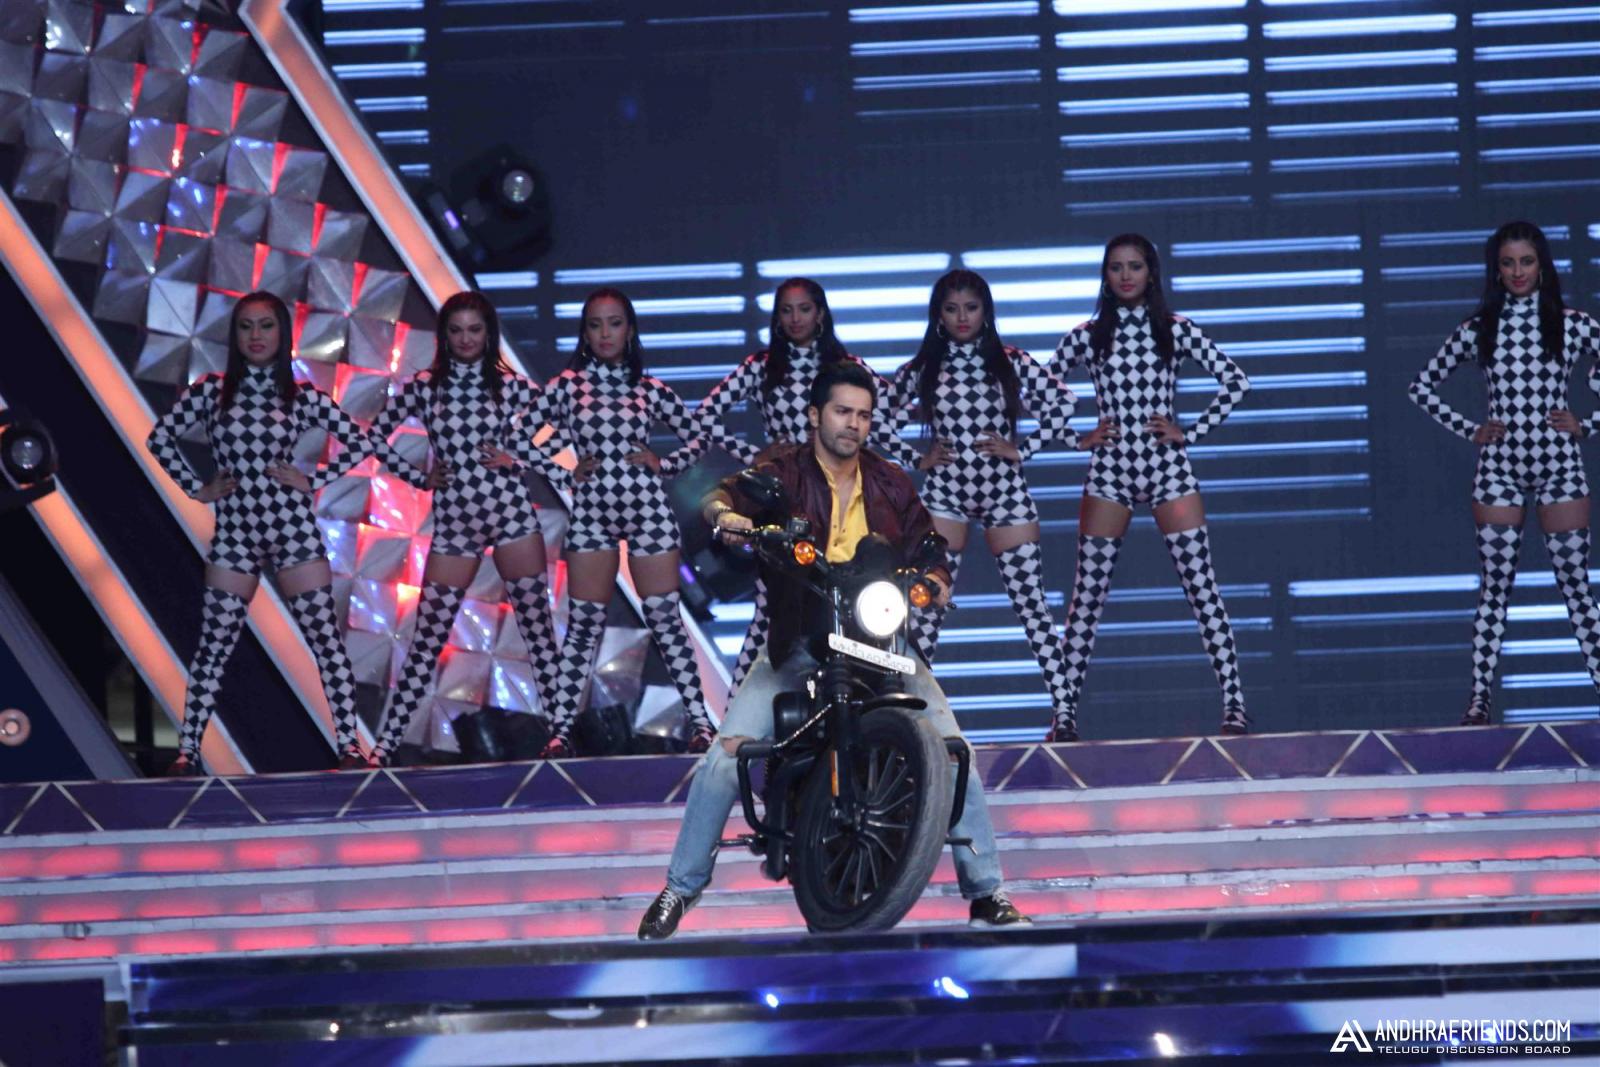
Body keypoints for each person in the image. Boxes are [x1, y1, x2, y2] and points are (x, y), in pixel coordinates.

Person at [637, 360, 1031, 940]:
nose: (853, 424)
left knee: (954, 751)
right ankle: (679, 888)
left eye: (863, 415)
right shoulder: (784, 472)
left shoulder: (890, 482)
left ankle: (987, 891)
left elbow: (927, 543)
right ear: (815, 414)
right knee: (726, 758)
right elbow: (725, 495)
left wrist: (935, 578)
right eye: (843, 412)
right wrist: (729, 518)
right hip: (801, 636)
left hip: (879, 641)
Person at [146, 291, 414, 774]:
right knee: (214, 646)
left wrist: (313, 478)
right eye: (246, 326)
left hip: (291, 527)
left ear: (282, 333)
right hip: (236, 532)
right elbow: (158, 438)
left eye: (266, 325)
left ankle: (350, 748)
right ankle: (187, 753)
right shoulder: (211, 391)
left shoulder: (300, 395)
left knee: (325, 642)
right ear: (234, 334)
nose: (256, 335)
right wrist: (197, 488)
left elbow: (362, 441)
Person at [1051, 234, 1253, 740]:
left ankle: (1235, 707)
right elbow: (1038, 392)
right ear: (1105, 274)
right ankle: (1064, 715)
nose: (1125, 276)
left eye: (1135, 266)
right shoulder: (1087, 336)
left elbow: (1236, 381)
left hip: (1167, 467)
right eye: (1116, 267)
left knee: (1201, 588)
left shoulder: (1175, 329)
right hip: (1110, 469)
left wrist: (1191, 433)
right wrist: (1077, 439)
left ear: (1151, 273)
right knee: (1087, 599)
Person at [1408, 220, 1600, 723]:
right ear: (1496, 269)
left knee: (1576, 585)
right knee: (1495, 588)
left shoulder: (1574, 324)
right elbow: (1421, 386)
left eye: (1526, 262)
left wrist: (1588, 424)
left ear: (1543, 265)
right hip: (1500, 469)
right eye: (1508, 263)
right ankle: (1480, 700)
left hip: (1560, 465)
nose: (1518, 272)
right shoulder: (1480, 329)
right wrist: (1471, 429)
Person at [366, 291, 568, 763]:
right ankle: (385, 746)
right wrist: (419, 476)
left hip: (512, 515)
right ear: (444, 335)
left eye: (474, 330)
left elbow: (563, 422)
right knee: (427, 639)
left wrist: (518, 457)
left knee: (538, 633)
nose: (465, 339)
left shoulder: (508, 385)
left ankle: (561, 735)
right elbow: (374, 435)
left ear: (488, 333)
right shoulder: (424, 386)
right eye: (456, 330)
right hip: (457, 522)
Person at [886, 269, 1080, 734]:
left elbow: (1064, 403)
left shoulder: (1010, 361)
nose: (962, 317)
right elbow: (878, 420)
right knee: (926, 610)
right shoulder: (924, 368)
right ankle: (911, 719)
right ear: (938, 315)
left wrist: (1023, 450)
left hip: (1004, 491)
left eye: (971, 308)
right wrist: (917, 458)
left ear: (986, 311)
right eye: (952, 309)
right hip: (945, 494)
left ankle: (1066, 713)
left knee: (1031, 606)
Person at [695, 277, 908, 691]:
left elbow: (890, 414)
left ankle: (863, 697)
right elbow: (705, 415)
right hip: (787, 490)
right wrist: (753, 455)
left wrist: (913, 458)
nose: (795, 319)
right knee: (772, 606)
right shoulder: (762, 366)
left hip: (842, 490)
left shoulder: (844, 367)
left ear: (821, 313)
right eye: (786, 311)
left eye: (804, 309)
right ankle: (737, 711)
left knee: (859, 601)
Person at [537, 287, 716, 757]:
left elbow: (699, 438)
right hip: (592, 514)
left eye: (614, 323)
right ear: (584, 333)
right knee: (583, 627)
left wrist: (664, 464)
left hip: (648, 511)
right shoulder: (568, 386)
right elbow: (519, 433)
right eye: (595, 325)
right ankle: (559, 732)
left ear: (630, 329)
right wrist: (563, 471)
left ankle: (701, 724)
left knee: (666, 622)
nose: (605, 334)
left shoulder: (649, 389)